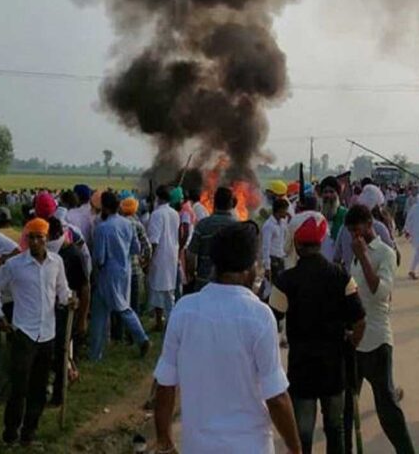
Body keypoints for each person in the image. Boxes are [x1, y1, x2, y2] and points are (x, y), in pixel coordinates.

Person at [154, 222, 302, 454]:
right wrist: (296, 449)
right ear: (250, 268)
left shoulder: (184, 310)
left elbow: (165, 385)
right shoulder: (259, 316)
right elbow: (276, 398)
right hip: (251, 446)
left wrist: (165, 441)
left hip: (198, 447)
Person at [269, 214, 366, 453]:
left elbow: (271, 321)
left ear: (298, 246)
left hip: (302, 368)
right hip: (335, 367)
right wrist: (351, 342)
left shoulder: (285, 281)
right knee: (335, 428)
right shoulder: (341, 275)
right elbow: (360, 320)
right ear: (321, 243)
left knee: (303, 433)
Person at [344, 205, 416, 454]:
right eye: (351, 231)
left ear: (369, 224)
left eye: (358, 229)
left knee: (387, 407)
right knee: (347, 406)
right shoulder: (354, 251)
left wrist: (363, 256)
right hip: (355, 338)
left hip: (377, 340)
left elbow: (380, 292)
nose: (355, 236)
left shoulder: (385, 253)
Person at [0, 218, 73, 446]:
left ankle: (29, 434)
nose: (36, 241)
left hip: (47, 333)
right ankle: (10, 435)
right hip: (23, 333)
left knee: (39, 388)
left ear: (47, 239)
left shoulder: (56, 262)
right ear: (27, 240)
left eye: (41, 237)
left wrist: (69, 301)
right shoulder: (14, 265)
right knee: (18, 388)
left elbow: (62, 291)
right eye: (32, 237)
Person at [89, 192, 150, 361]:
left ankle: (142, 338)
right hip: (125, 270)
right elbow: (135, 249)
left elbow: (99, 257)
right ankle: (95, 354)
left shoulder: (102, 228)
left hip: (107, 274)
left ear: (105, 207)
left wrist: (96, 272)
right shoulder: (129, 224)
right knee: (101, 312)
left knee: (121, 309)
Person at [47, 217, 89, 404]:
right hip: (49, 311)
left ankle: (59, 394)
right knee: (54, 352)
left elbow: (85, 287)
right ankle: (69, 373)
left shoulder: (72, 254)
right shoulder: (45, 254)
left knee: (61, 350)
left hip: (67, 310)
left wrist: (82, 319)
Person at [188, 187, 237, 291]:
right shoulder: (237, 227)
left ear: (214, 202)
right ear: (231, 203)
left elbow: (191, 256)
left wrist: (192, 274)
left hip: (204, 283)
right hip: (229, 286)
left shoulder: (202, 225)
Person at [147, 185, 180, 331]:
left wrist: (148, 259)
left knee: (158, 291)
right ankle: (167, 322)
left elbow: (154, 241)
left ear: (157, 198)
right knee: (169, 291)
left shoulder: (156, 214)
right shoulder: (175, 213)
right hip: (172, 254)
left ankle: (162, 322)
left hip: (160, 256)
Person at [319, 176, 348, 261]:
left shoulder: (345, 215)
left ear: (337, 194)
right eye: (325, 192)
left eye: (331, 192)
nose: (328, 195)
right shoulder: (317, 217)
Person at [262, 197, 290, 283]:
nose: (287, 212)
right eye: (285, 210)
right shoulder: (269, 226)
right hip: (273, 260)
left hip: (280, 259)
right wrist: (267, 267)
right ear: (280, 210)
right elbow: (266, 247)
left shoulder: (282, 223)